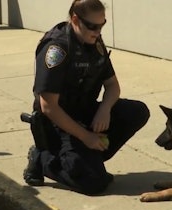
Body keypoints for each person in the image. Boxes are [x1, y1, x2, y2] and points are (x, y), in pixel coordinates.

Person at [22, 0, 150, 195]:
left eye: (102, 25)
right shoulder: (57, 49)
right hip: (58, 124)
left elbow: (113, 86)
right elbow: (49, 107)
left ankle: (88, 161)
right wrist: (86, 137)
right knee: (94, 184)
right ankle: (43, 157)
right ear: (75, 19)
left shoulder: (93, 41)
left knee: (137, 112)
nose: (98, 31)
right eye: (92, 26)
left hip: (85, 113)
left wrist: (104, 110)